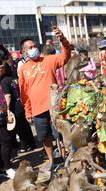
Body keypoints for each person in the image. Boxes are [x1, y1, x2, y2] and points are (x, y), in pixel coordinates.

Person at [19, 27, 72, 172]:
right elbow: (24, 93)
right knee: (45, 137)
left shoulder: (49, 60)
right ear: (24, 52)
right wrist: (28, 111)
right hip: (37, 110)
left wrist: (63, 39)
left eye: (35, 46)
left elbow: (66, 56)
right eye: (30, 47)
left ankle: (65, 158)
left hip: (54, 107)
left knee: (59, 135)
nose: (34, 48)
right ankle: (51, 160)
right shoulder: (23, 69)